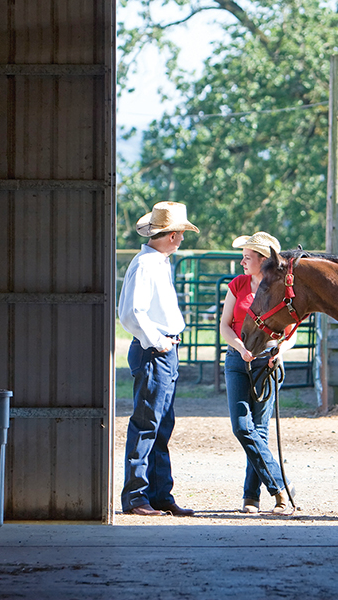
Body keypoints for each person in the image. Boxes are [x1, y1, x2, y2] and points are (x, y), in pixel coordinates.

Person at [118, 201, 199, 517]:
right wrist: (157, 341)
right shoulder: (147, 265)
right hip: (156, 351)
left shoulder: (155, 262)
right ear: (174, 235)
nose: (181, 240)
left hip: (162, 351)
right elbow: (131, 313)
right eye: (180, 234)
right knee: (147, 423)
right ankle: (137, 496)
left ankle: (157, 493)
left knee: (160, 423)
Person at [220, 231, 297, 514]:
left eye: (247, 257)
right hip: (237, 360)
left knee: (259, 431)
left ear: (263, 260)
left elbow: (291, 334)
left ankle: (250, 497)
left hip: (267, 363)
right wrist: (240, 347)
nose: (242, 262)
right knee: (242, 426)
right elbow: (225, 325)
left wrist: (280, 352)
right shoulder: (238, 285)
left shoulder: (276, 288)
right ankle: (279, 488)